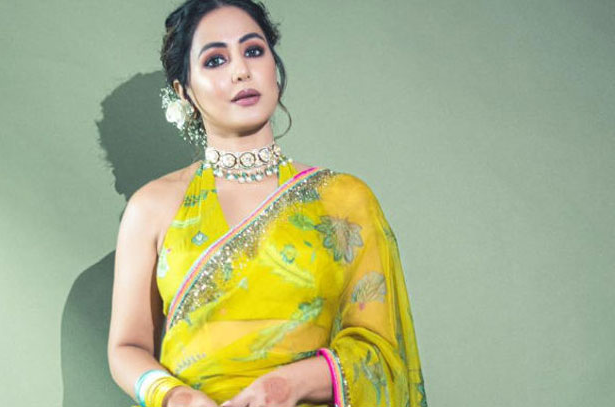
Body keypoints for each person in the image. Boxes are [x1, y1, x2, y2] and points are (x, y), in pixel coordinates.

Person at [107, 1, 428, 406]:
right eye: (215, 60)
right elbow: (127, 347)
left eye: (254, 51)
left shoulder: (343, 200)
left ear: (274, 67)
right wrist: (175, 398)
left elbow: (383, 352)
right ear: (184, 92)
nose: (241, 70)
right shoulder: (152, 207)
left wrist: (286, 385)